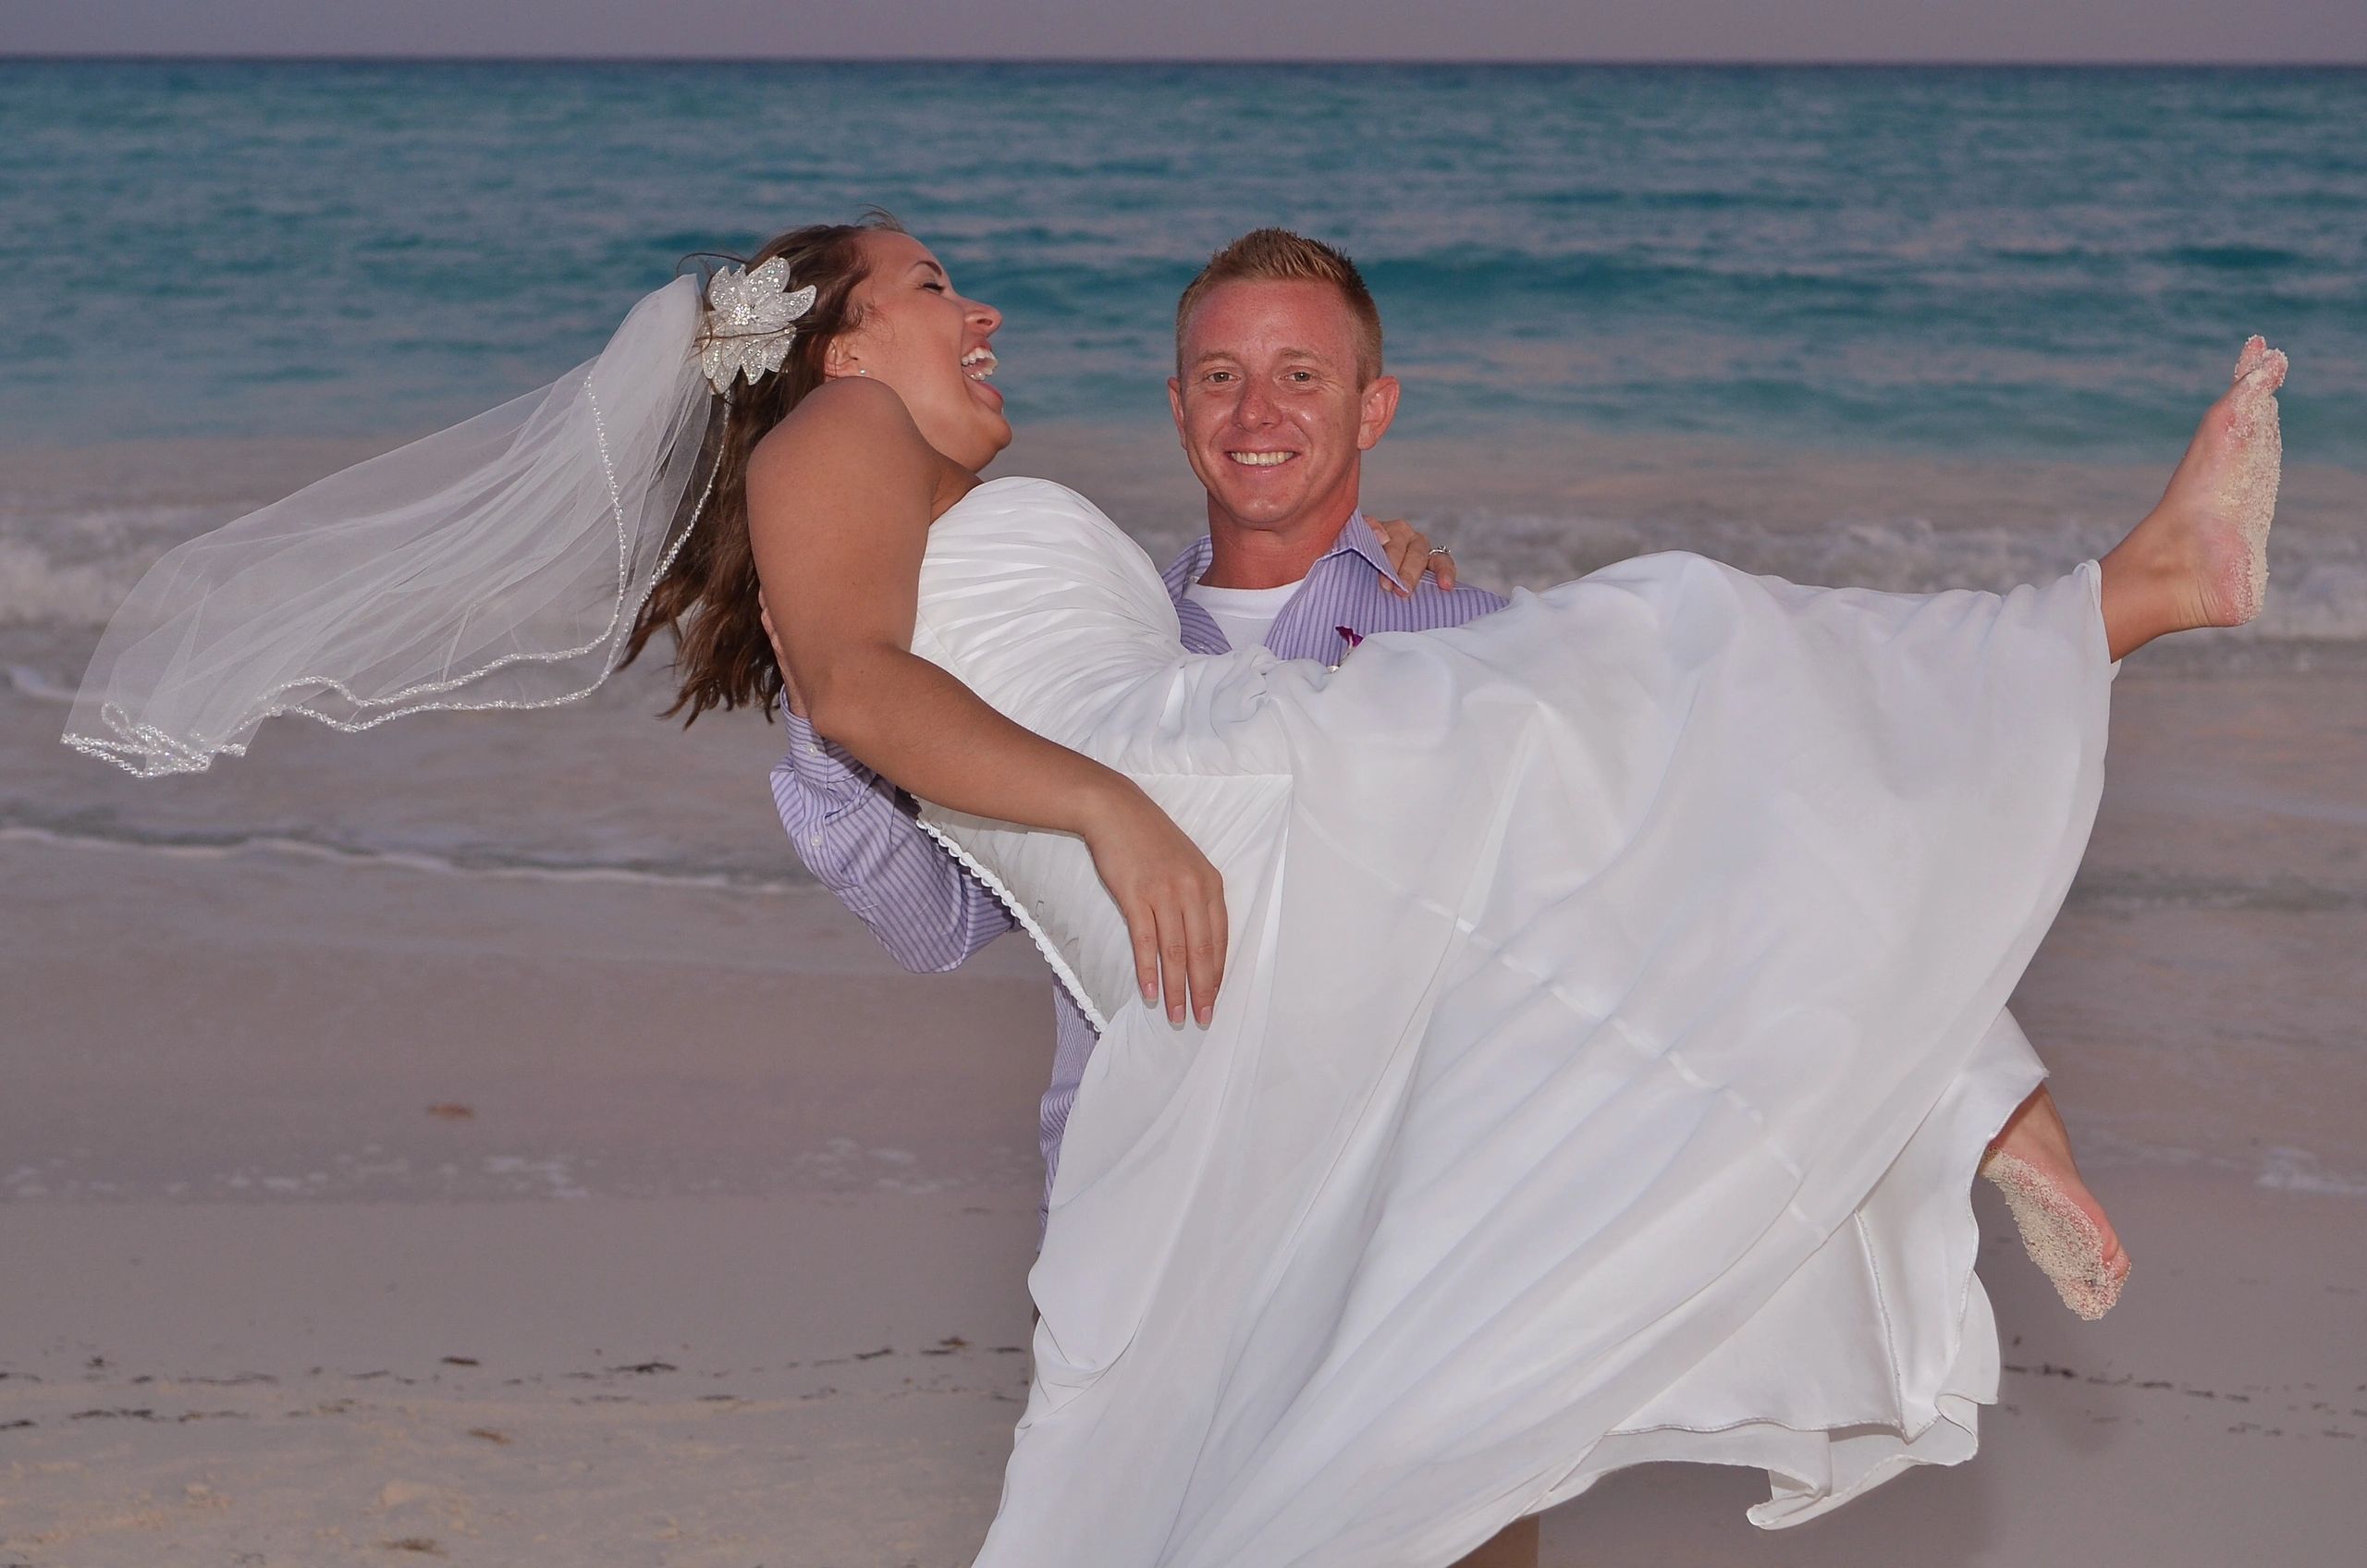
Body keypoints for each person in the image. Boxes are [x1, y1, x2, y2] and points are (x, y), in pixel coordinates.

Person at [66, 213, 2288, 1568]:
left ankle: (1990, 1017)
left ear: (1369, 409)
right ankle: (2105, 629)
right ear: (835, 339)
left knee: (1639, 683)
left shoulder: (1419, 629)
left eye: (1296, 379)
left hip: (1388, 1126)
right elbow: (898, 777)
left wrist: (1953, 1070)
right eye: (938, 289)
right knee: (1668, 652)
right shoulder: (911, 491)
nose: (978, 310)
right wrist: (1102, 816)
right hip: (1204, 1032)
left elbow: (1633, 921)